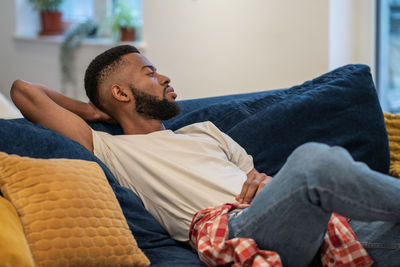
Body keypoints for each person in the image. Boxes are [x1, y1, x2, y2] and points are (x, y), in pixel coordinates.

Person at [10, 45, 400, 267]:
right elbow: (24, 91)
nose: (163, 78)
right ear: (121, 94)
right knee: (315, 160)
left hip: (289, 222)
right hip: (232, 231)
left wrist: (267, 182)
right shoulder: (110, 148)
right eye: (149, 72)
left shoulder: (205, 132)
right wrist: (96, 111)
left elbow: (258, 181)